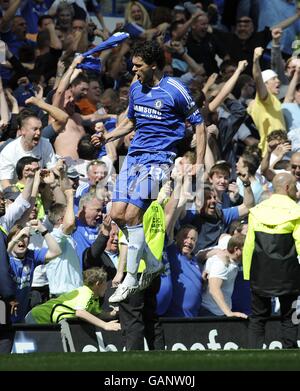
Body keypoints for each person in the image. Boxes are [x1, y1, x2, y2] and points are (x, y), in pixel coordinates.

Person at [94, 40, 206, 303]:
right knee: (116, 215)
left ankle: (131, 277)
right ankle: (153, 262)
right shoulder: (135, 88)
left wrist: (199, 162)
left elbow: (199, 125)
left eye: (138, 66)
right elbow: (131, 120)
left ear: (153, 65)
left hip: (160, 160)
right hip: (133, 156)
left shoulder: (175, 89)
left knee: (133, 214)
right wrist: (110, 136)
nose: (133, 71)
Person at [243, 172, 300, 348]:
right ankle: (290, 353)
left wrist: (247, 274)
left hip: (260, 271)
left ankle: (253, 355)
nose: (297, 191)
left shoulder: (256, 211)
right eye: (296, 187)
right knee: (289, 316)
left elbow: (249, 245)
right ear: (288, 187)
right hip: (289, 273)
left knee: (258, 317)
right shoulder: (297, 212)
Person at [25, 267, 121, 332]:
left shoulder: (94, 298)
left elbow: (96, 314)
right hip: (36, 317)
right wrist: (105, 325)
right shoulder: (85, 293)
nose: (106, 287)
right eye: (104, 283)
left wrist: (112, 314)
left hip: (44, 320)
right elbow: (80, 312)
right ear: (97, 284)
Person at [200, 233, 248, 318]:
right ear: (236, 249)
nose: (249, 253)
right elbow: (214, 289)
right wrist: (229, 313)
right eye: (247, 250)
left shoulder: (229, 246)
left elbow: (223, 235)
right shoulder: (221, 263)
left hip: (220, 312)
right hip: (210, 312)